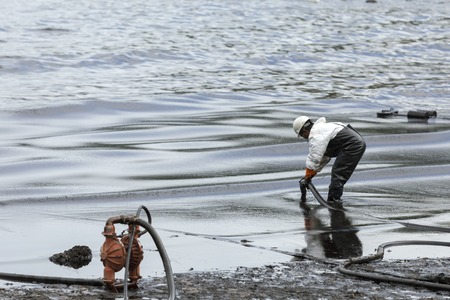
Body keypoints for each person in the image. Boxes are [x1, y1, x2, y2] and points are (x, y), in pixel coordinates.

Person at [293, 116, 366, 202]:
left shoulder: (316, 134)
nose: (304, 138)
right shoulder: (322, 130)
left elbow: (315, 157)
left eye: (302, 136)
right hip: (355, 143)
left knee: (338, 173)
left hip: (353, 145)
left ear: (304, 132)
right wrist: (309, 176)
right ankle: (334, 200)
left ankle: (333, 202)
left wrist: (308, 175)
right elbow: (324, 156)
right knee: (338, 172)